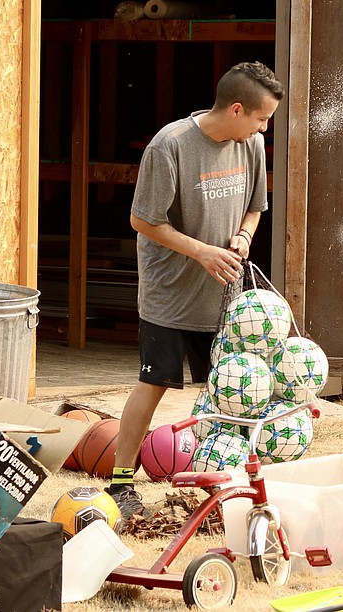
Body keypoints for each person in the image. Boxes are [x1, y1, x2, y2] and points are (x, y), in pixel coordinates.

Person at [106, 61, 284, 519]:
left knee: (230, 392)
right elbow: (143, 219)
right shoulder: (170, 145)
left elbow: (254, 208)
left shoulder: (254, 146)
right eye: (262, 118)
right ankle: (121, 483)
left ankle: (230, 484)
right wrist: (202, 253)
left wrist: (243, 237)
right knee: (154, 382)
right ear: (238, 109)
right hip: (170, 293)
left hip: (225, 296)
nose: (265, 127)